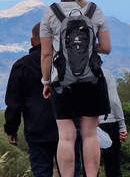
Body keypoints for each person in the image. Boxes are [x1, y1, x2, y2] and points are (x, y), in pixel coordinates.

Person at [40, 0, 111, 177]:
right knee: (90, 135)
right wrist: (90, 48)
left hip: (61, 82)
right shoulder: (94, 10)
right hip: (91, 81)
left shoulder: (51, 13)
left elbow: (46, 54)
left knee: (66, 137)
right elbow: (106, 48)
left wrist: (46, 82)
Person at [4, 23, 82, 177]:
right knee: (71, 172)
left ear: (32, 42)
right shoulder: (69, 63)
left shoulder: (21, 66)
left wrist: (11, 129)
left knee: (41, 172)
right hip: (69, 129)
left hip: (37, 131)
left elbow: (14, 102)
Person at [99, 69, 128, 177]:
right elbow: (114, 101)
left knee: (90, 167)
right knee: (113, 167)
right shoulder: (106, 73)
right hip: (109, 122)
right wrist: (122, 126)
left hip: (87, 124)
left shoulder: (75, 73)